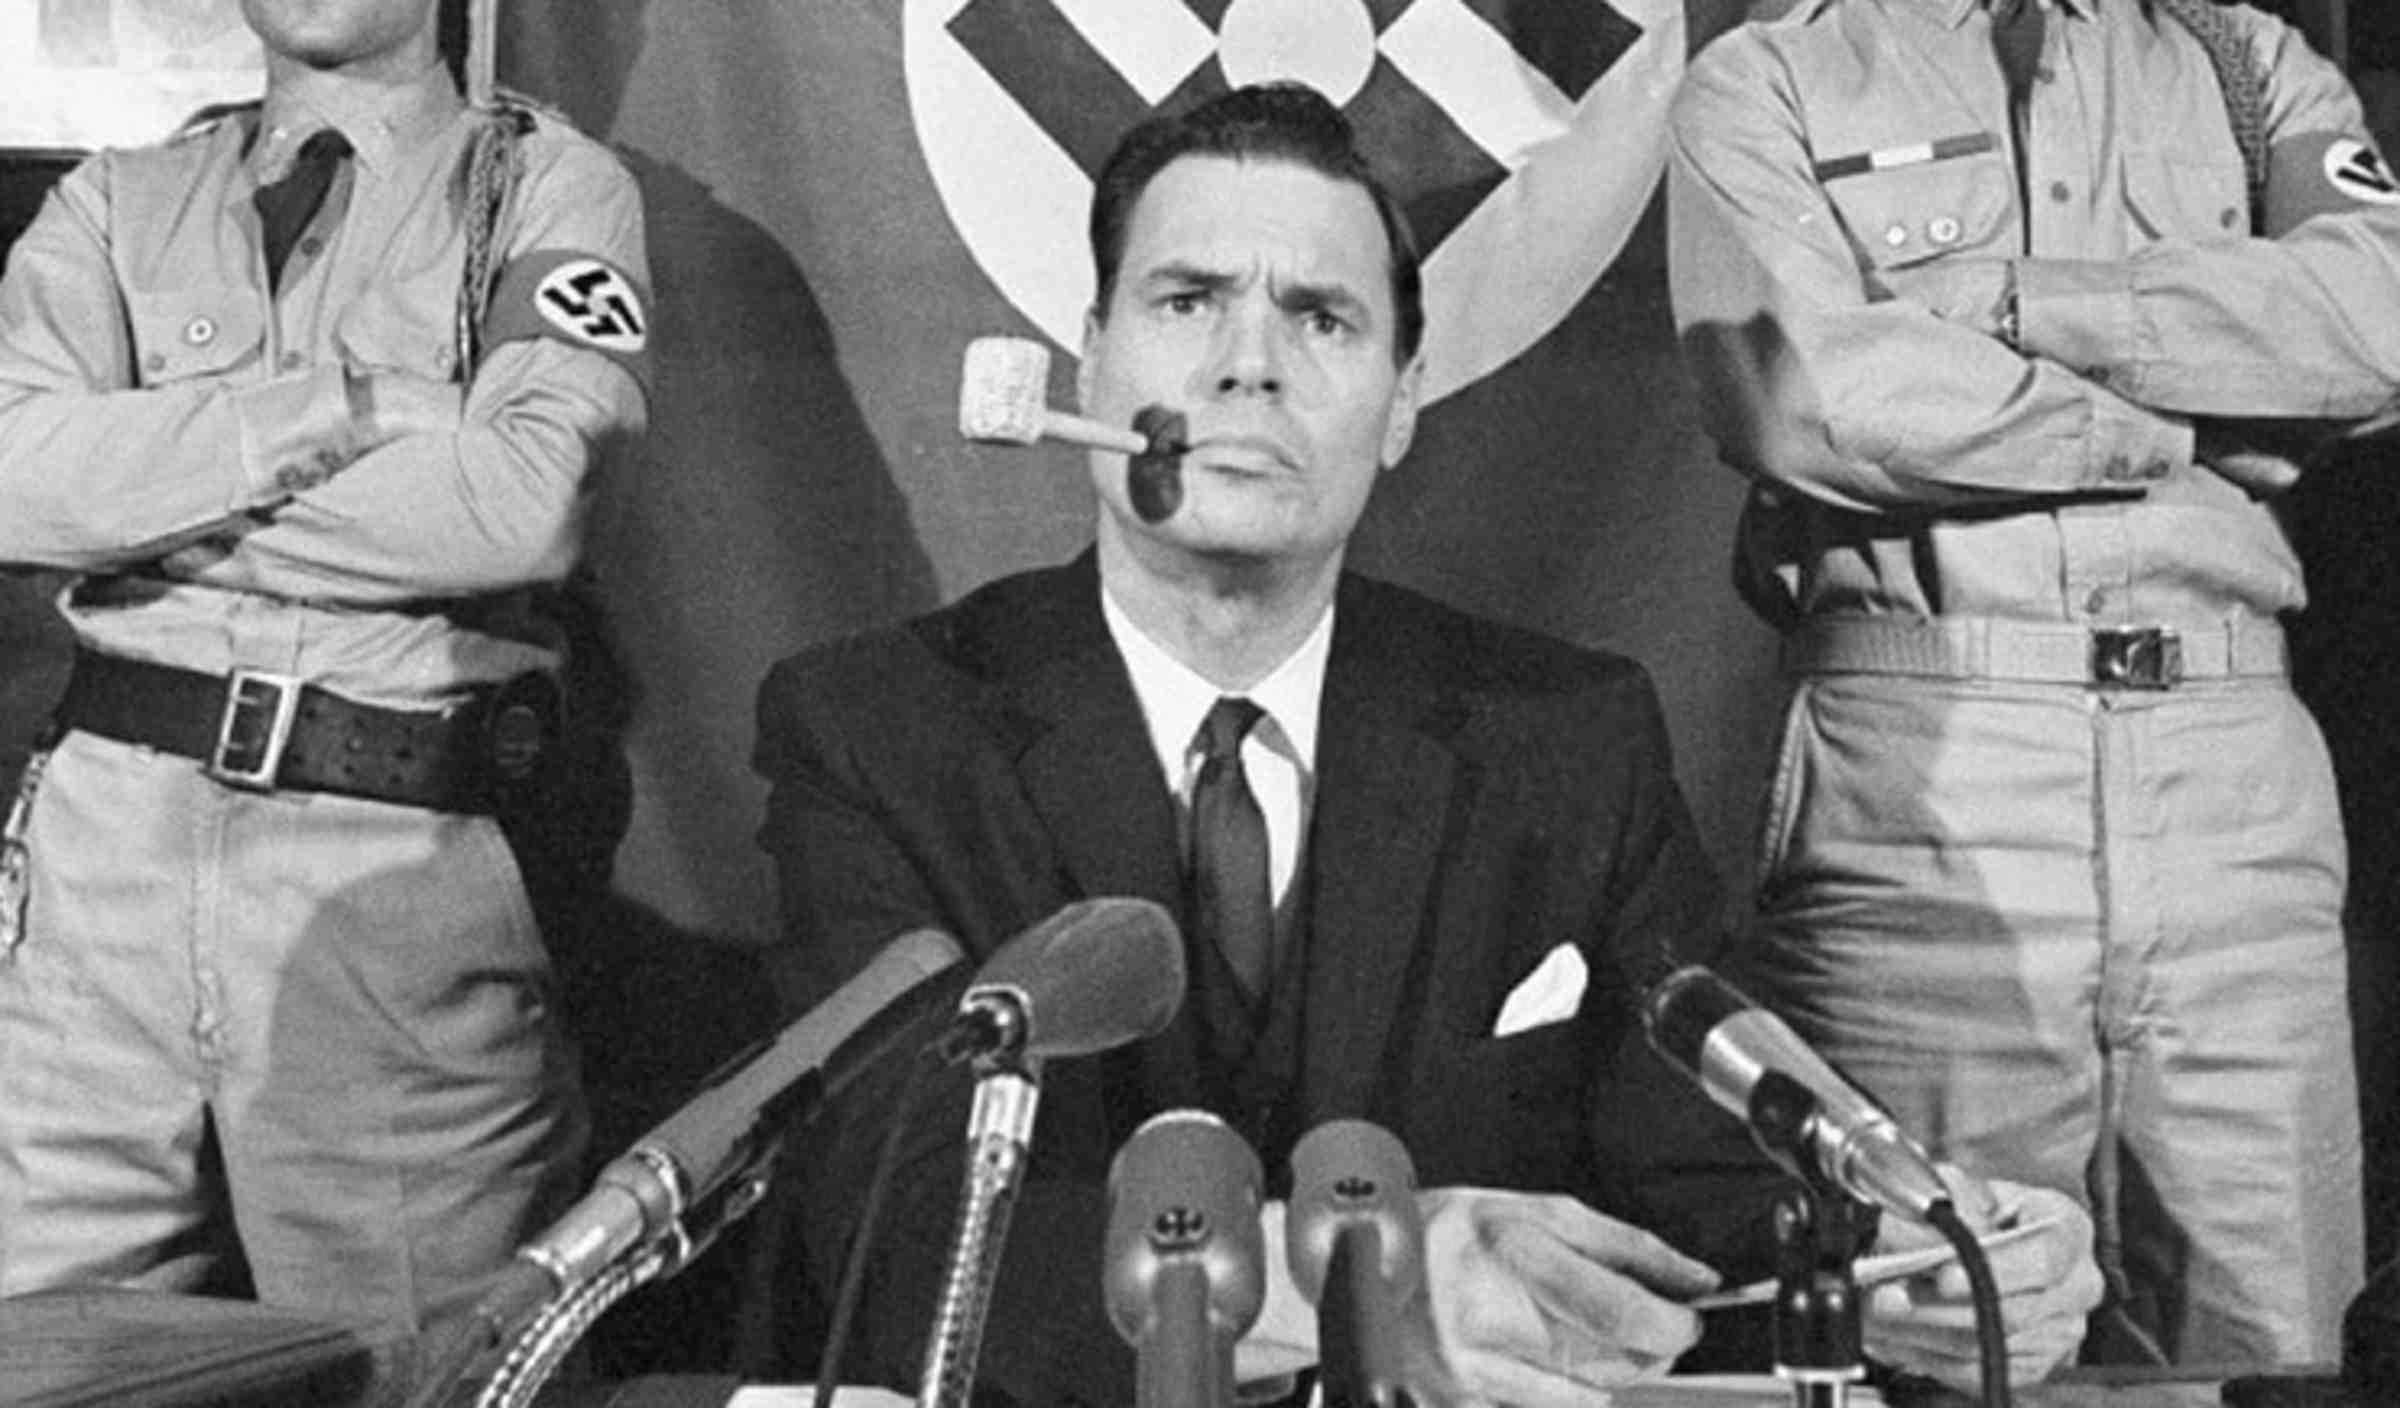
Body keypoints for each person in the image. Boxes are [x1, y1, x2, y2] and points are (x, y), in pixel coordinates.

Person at [756, 81, 2096, 1404]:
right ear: (1091, 355)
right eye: (1185, 302)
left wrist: (1892, 1273)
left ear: (1401, 405)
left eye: (1321, 317)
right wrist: (1350, 1295)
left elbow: (1704, 1190)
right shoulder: (881, 730)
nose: (1250, 363)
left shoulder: (1566, 741)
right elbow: (898, 1233)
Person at [1667, 0, 2400, 1367]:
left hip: (2235, 789)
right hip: (1926, 780)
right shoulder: (1768, 79)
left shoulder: (2251, 69)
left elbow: (2377, 319)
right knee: (1938, 1321)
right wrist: (2176, 423)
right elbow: (1799, 390)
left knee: (2278, 1349)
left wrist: (2014, 305)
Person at [0, 0, 650, 1331]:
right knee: (40, 1356)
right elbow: (10, 483)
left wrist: (139, 512)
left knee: (421, 1360)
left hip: (384, 878)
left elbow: (518, 502)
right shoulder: (115, 205)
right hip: (99, 873)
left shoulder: (541, 189)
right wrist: (337, 413)